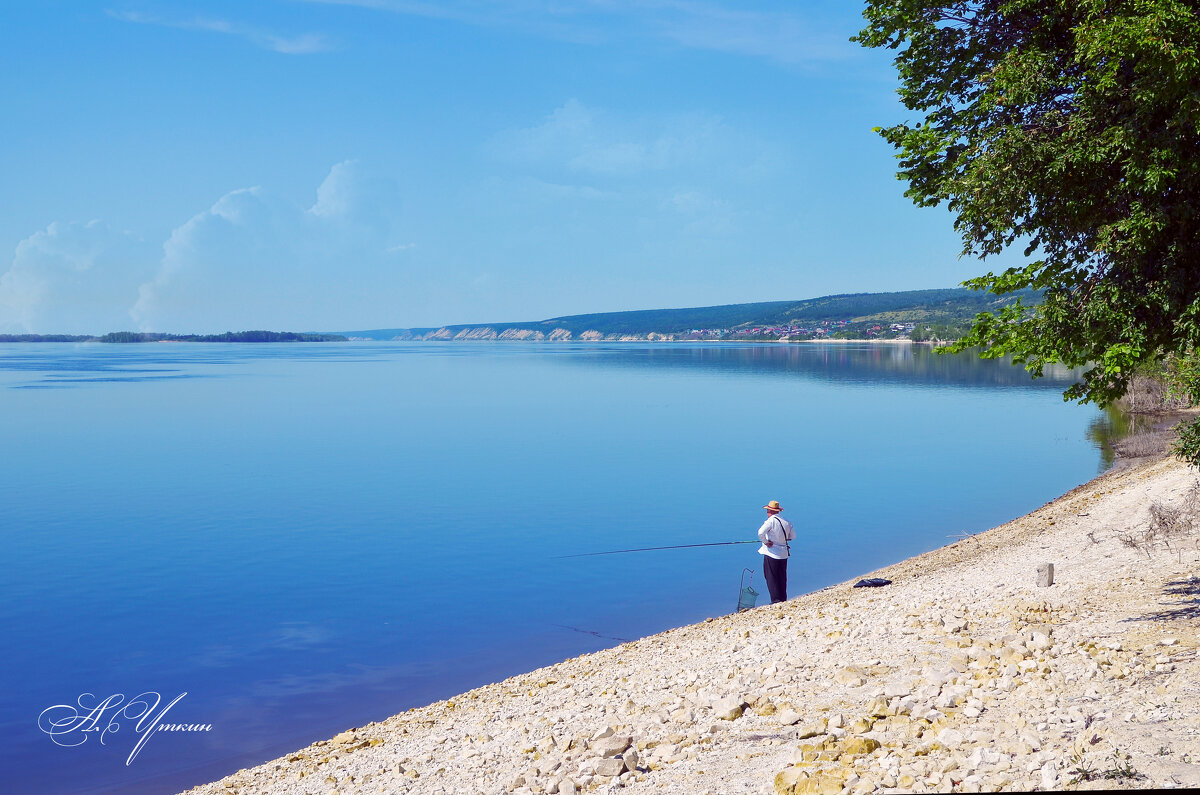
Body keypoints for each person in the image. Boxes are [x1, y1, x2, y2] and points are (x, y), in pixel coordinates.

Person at [757, 500, 795, 603]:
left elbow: (760, 533)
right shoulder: (786, 522)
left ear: (770, 511)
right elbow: (792, 537)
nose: (767, 513)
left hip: (772, 553)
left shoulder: (770, 521)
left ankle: (775, 600)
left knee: (771, 577)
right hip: (783, 554)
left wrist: (766, 542)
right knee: (782, 577)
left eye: (767, 511)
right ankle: (783, 599)